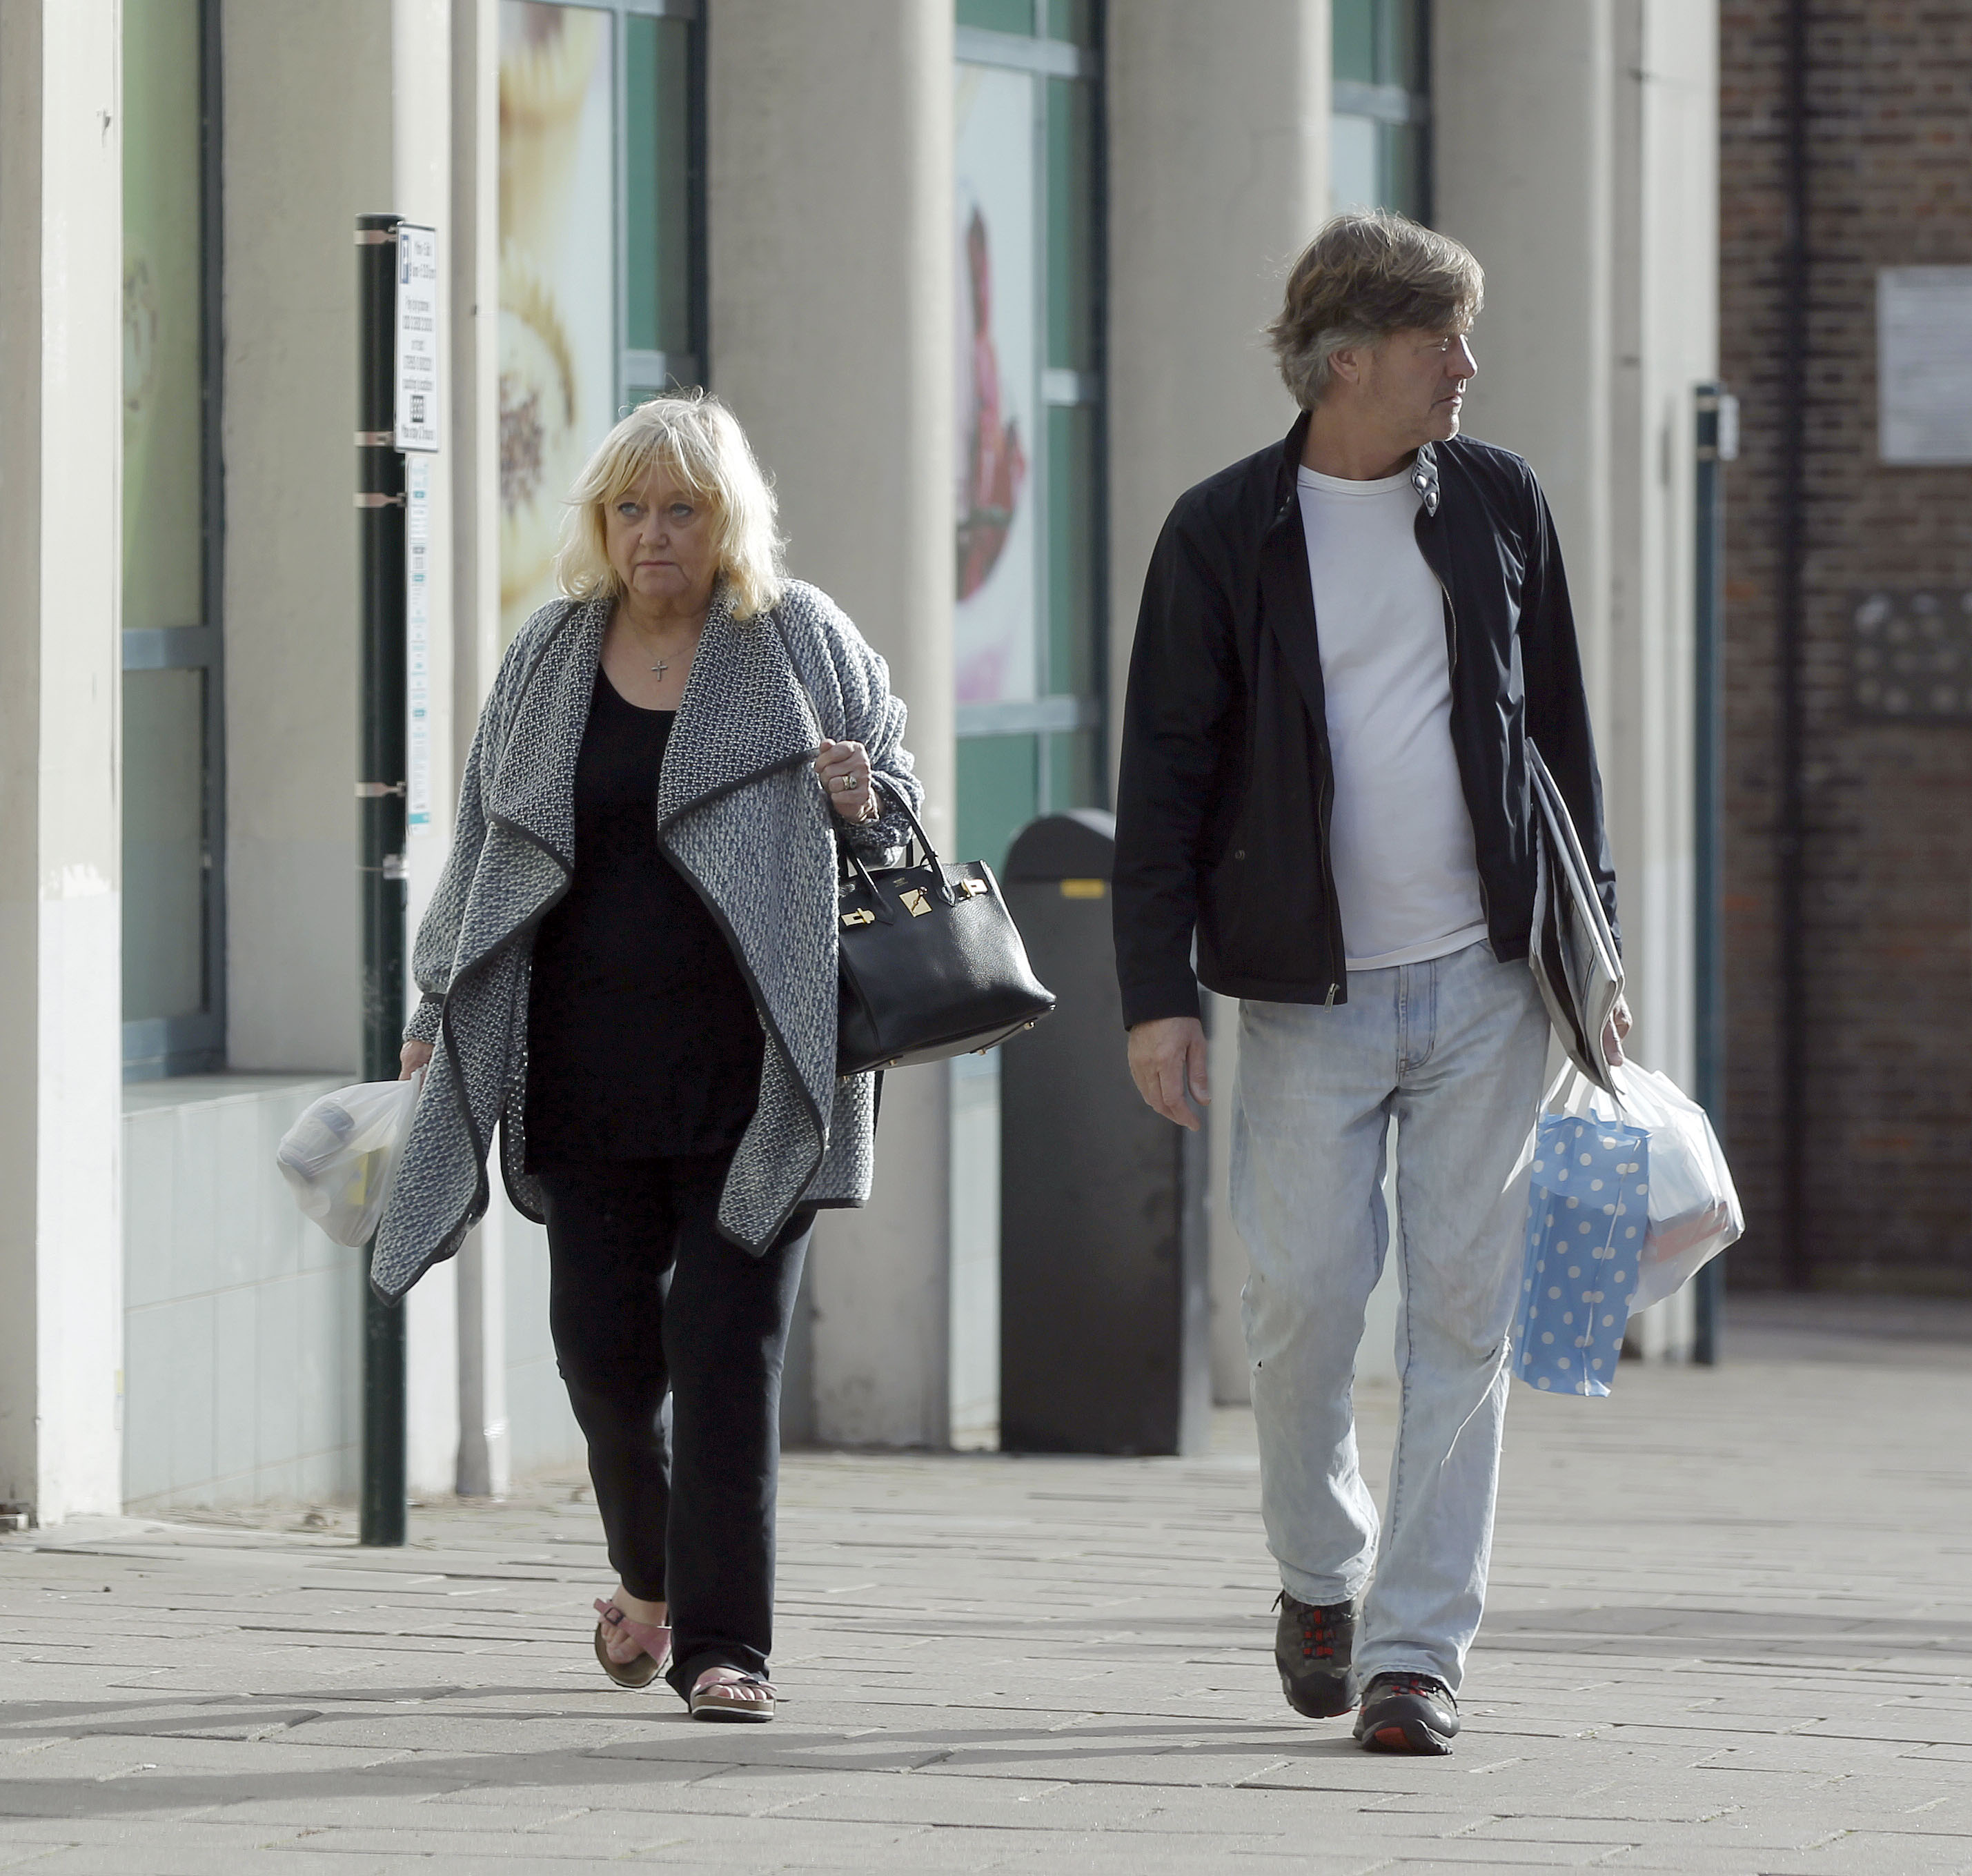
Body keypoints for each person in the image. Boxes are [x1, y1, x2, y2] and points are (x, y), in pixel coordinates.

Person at [1112, 212, 1628, 1757]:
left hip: (1488, 987)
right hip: (1304, 993)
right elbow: (1167, 774)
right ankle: (1318, 1571)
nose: (1466, 369)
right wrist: (1155, 991)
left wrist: (1591, 947)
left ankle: (1414, 1653)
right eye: (1438, 343)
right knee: (1301, 1307)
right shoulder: (1221, 531)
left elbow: (1563, 751)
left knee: (1463, 1319)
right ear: (1348, 359)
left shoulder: (1494, 502)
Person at [375, 392, 920, 1724]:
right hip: (584, 1070)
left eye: (682, 508)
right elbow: (491, 842)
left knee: (728, 1362)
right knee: (603, 1362)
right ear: (600, 525)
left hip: (761, 1071)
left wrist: (861, 799)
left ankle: (727, 1647)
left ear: (727, 521)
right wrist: (439, 992)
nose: (654, 534)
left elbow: (902, 840)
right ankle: (649, 1574)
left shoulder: (797, 642)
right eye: (630, 509)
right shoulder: (554, 652)